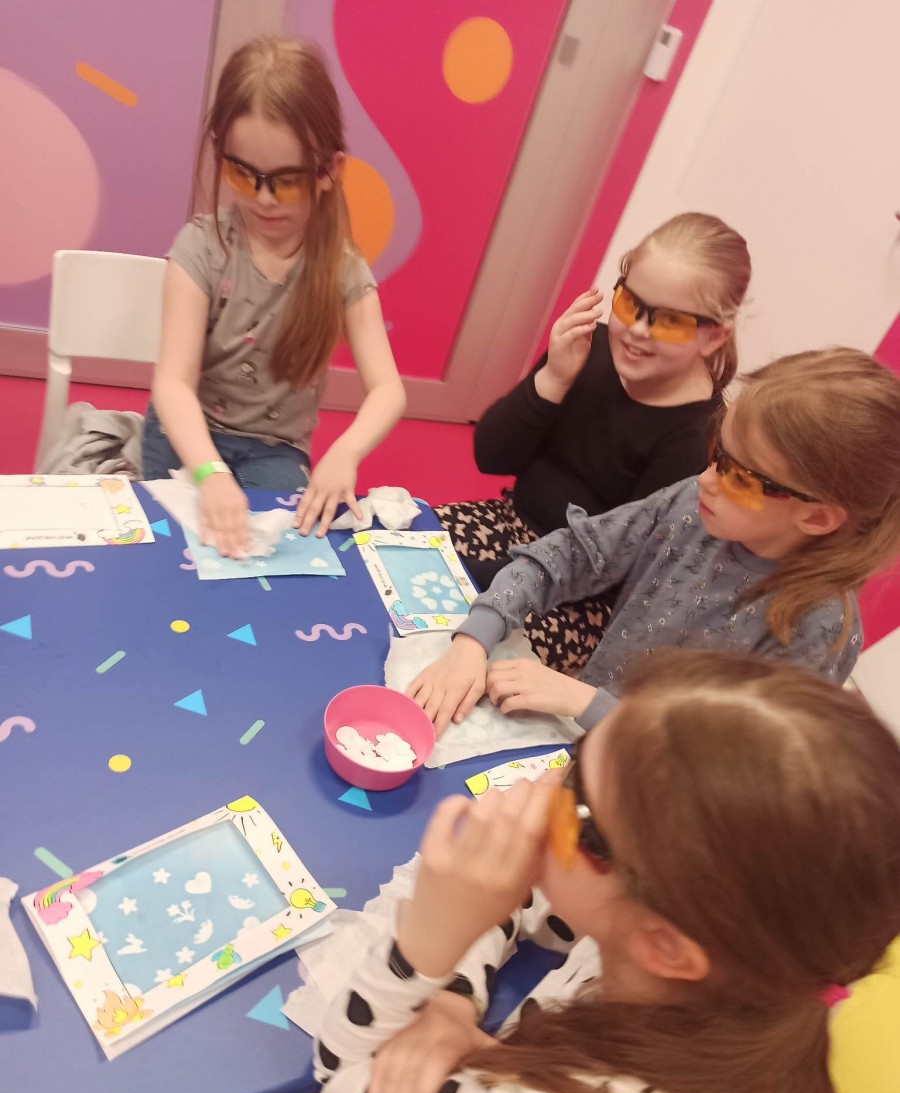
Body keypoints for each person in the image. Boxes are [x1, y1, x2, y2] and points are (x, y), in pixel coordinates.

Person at [240, 650, 900, 1093]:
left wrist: (428, 944)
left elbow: (342, 1064)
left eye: (577, 807)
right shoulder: (734, 966)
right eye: (575, 758)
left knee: (254, 1080)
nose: (538, 791)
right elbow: (538, 892)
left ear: (665, 945)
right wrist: (452, 996)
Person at [409, 347, 900, 735]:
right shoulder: (692, 504)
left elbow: (724, 766)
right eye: (718, 453)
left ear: (817, 517)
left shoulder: (818, 629)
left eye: (739, 477)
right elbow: (569, 555)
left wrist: (587, 703)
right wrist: (475, 639)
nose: (706, 479)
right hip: (586, 741)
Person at [434, 212, 751, 673]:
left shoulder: (696, 439)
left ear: (714, 335)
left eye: (670, 321)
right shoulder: (589, 349)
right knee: (377, 547)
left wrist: (465, 577)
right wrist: (554, 378)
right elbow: (491, 455)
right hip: (505, 521)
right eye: (630, 303)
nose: (638, 329)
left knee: (446, 642)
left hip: (578, 595)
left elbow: (612, 565)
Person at [143, 37, 405, 556]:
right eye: (242, 173)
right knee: (168, 556)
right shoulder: (202, 247)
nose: (262, 199)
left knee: (271, 562)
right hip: (186, 436)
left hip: (275, 450)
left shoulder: (341, 268)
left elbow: (388, 391)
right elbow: (172, 383)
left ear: (330, 171)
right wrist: (210, 472)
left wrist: (345, 453)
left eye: (285, 181)